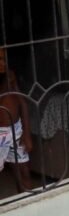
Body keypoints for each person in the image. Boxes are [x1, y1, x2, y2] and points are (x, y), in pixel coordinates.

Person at [0, 47, 33, 192]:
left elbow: (22, 102)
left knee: (23, 171)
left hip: (16, 130)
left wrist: (27, 134)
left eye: (4, 59)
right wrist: (5, 85)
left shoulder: (10, 75)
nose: (3, 63)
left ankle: (29, 202)